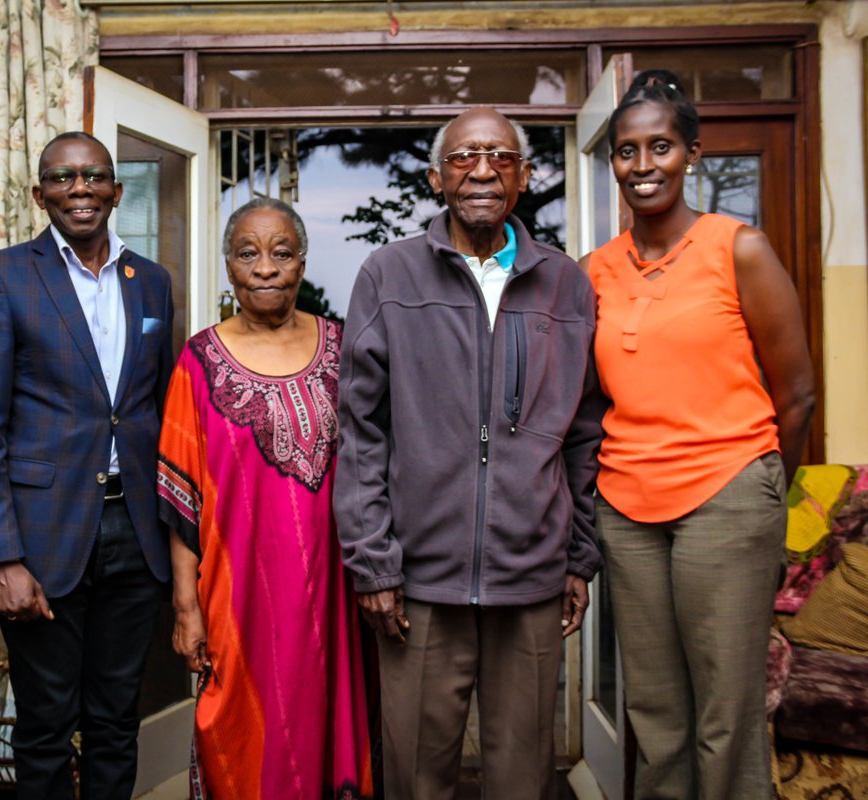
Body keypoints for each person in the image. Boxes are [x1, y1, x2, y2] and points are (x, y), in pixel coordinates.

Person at [336, 108, 605, 800]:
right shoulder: (387, 274)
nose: (481, 170)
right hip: (418, 585)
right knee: (417, 778)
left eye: (500, 157)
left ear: (524, 176)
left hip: (532, 579)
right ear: (436, 177)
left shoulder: (565, 283)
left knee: (522, 777)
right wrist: (374, 563)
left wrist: (578, 555)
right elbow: (361, 431)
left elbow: (583, 431)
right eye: (463, 158)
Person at [582, 70, 815, 799]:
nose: (643, 165)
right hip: (627, 506)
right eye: (627, 151)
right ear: (612, 163)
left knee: (726, 707)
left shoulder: (737, 248)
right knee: (654, 709)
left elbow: (798, 391)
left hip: (727, 495)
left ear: (693, 155)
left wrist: (768, 497)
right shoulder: (594, 272)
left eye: (660, 147)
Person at [0, 132, 175, 799]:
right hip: (43, 536)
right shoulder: (3, 275)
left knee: (117, 721)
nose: (78, 188)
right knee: (46, 726)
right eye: (61, 177)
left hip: (135, 536)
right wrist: (2, 557)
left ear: (116, 191)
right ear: (40, 193)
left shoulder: (153, 282)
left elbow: (156, 409)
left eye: (92, 176)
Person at [158, 198, 374, 799]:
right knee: (240, 726)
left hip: (336, 590)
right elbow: (180, 497)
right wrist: (186, 606)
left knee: (333, 719)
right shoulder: (199, 362)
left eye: (282, 253)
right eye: (248, 254)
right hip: (237, 594)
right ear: (228, 267)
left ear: (302, 264)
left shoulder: (344, 347)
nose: (266, 268)